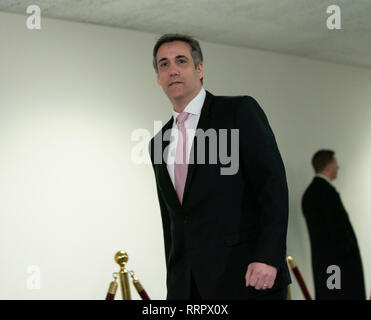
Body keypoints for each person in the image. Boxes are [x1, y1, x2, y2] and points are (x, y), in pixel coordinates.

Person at [149, 33, 291, 300]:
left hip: (247, 277)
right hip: (187, 286)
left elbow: (271, 186)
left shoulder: (238, 112)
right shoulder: (158, 143)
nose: (173, 70)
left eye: (181, 61)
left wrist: (268, 257)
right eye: (164, 64)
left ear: (199, 69)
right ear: (158, 77)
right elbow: (172, 222)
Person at [302, 150, 366, 299]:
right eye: (335, 162)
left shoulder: (310, 193)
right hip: (339, 266)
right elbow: (337, 232)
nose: (338, 167)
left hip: (324, 265)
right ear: (328, 165)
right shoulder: (326, 193)